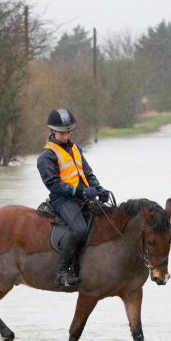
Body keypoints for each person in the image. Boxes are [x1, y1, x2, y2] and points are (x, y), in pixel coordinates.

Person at [37, 108, 110, 286]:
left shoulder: (76, 148)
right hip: (62, 199)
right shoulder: (46, 156)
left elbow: (88, 173)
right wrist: (81, 192)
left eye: (68, 131)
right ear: (52, 131)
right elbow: (54, 184)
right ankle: (62, 272)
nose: (66, 135)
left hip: (82, 197)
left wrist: (99, 189)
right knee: (80, 230)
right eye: (62, 132)